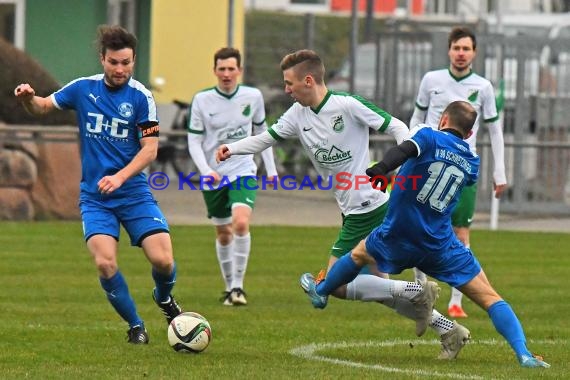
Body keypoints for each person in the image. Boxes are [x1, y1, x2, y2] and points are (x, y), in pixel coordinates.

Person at [217, 49, 471, 360]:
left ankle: (415, 291)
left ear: (308, 80)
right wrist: (232, 148)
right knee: (380, 290)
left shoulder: (347, 105)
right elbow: (265, 138)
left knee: (336, 283)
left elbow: (397, 126)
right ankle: (449, 330)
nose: (286, 89)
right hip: (353, 206)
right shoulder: (297, 116)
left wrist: (400, 163)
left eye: (289, 83)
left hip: (368, 206)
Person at [301, 101, 550, 368]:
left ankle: (322, 290)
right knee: (490, 297)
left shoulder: (428, 136)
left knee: (359, 253)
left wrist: (382, 168)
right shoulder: (472, 162)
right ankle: (524, 354)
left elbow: (404, 149)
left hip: (398, 234)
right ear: (468, 135)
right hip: (439, 244)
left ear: (443, 120)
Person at [14, 25, 183, 344]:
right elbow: (43, 107)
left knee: (163, 260)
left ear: (133, 61)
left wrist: (120, 176)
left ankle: (163, 299)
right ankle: (136, 326)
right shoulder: (83, 88)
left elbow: (150, 150)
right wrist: (28, 99)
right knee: (105, 262)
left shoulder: (141, 97)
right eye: (113, 62)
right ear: (102, 59)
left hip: (133, 193)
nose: (120, 70)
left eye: (126, 63)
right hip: (96, 197)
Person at [409, 26, 507, 318]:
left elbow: (495, 129)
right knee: (418, 226)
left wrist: (499, 171)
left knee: (460, 231)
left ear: (474, 53)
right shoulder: (431, 80)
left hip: (461, 171)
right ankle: (419, 291)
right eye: (456, 48)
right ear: (449, 50)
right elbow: (417, 116)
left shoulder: (483, 87)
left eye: (466, 49)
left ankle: (456, 300)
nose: (461, 53)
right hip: (428, 165)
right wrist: (410, 146)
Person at [187, 47, 278, 306]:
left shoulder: (253, 96)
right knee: (224, 233)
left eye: (231, 69)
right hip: (213, 175)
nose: (226, 74)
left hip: (243, 169)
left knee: (240, 223)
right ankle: (229, 287)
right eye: (222, 69)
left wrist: (270, 170)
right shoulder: (202, 100)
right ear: (214, 70)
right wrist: (206, 171)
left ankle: (239, 287)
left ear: (240, 71)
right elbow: (194, 140)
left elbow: (263, 134)